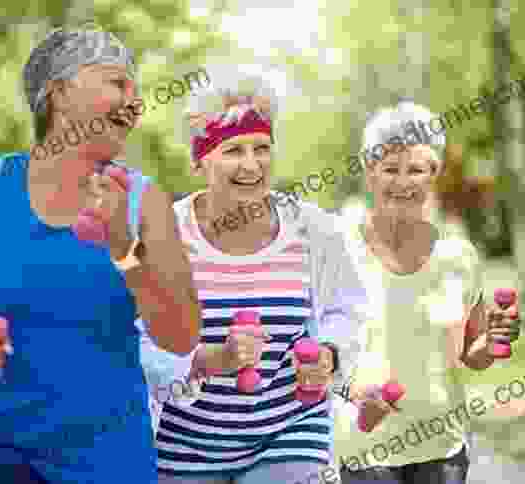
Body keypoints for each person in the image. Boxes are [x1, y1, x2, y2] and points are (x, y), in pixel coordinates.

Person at [0, 26, 201, 484]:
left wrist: (125, 250)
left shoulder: (143, 200)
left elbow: (181, 335)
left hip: (109, 461)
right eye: (118, 83)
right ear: (60, 93)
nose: (134, 101)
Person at [136, 73, 369, 484]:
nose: (251, 164)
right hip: (187, 441)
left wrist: (329, 355)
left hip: (290, 431)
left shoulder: (313, 230)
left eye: (262, 148)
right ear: (200, 160)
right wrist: (208, 360)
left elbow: (345, 310)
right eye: (233, 150)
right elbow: (136, 337)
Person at [334, 101, 523, 484]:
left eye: (416, 169)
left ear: (432, 175)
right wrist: (351, 390)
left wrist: (495, 340)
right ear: (370, 175)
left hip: (443, 451)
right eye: (390, 169)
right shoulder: (341, 250)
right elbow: (315, 347)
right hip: (367, 448)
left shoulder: (459, 255)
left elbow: (473, 354)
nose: (403, 181)